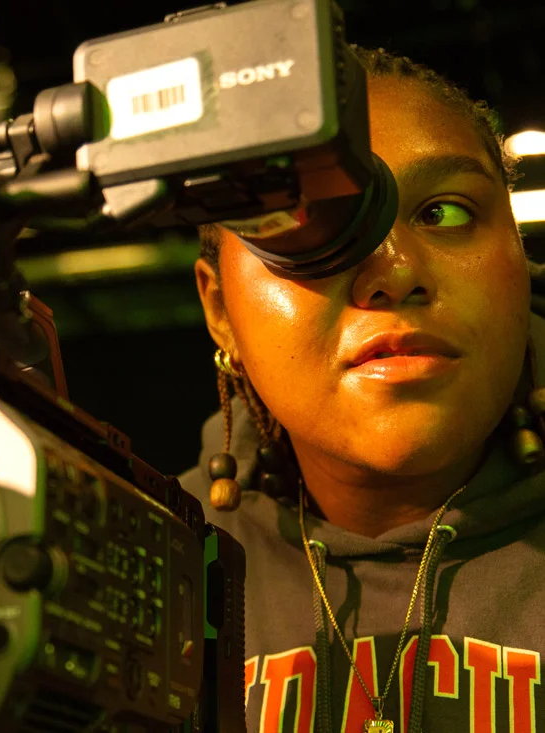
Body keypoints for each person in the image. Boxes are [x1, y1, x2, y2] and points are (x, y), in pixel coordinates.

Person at [179, 46, 545, 733]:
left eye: (444, 213)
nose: (394, 270)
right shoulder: (147, 561)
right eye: (311, 227)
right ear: (219, 307)